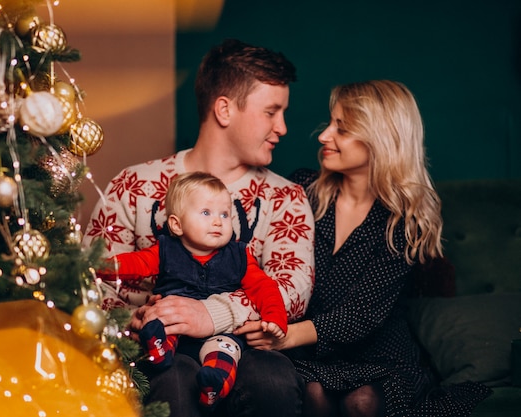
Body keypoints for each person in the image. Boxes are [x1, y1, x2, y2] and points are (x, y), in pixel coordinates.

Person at [82, 38, 314, 417]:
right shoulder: (133, 185)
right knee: (172, 383)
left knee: (271, 382)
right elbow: (94, 277)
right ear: (224, 109)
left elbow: (293, 289)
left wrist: (212, 314)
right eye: (271, 112)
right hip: (162, 348)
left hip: (245, 350)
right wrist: (135, 320)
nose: (283, 127)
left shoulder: (285, 198)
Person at [235, 80, 491, 417]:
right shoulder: (303, 190)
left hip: (378, 356)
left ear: (380, 139)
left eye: (341, 128)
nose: (324, 136)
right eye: (330, 123)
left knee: (361, 401)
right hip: (310, 355)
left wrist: (284, 336)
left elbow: (363, 313)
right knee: (312, 392)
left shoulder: (405, 218)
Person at [98, 171, 287, 409]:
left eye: (225, 214)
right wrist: (98, 265)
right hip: (174, 324)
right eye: (206, 213)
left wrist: (275, 318)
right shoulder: (165, 250)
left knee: (225, 350)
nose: (218, 221)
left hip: (219, 333)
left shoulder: (238, 256)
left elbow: (264, 287)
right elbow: (134, 264)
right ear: (177, 225)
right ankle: (158, 350)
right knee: (161, 325)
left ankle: (213, 385)